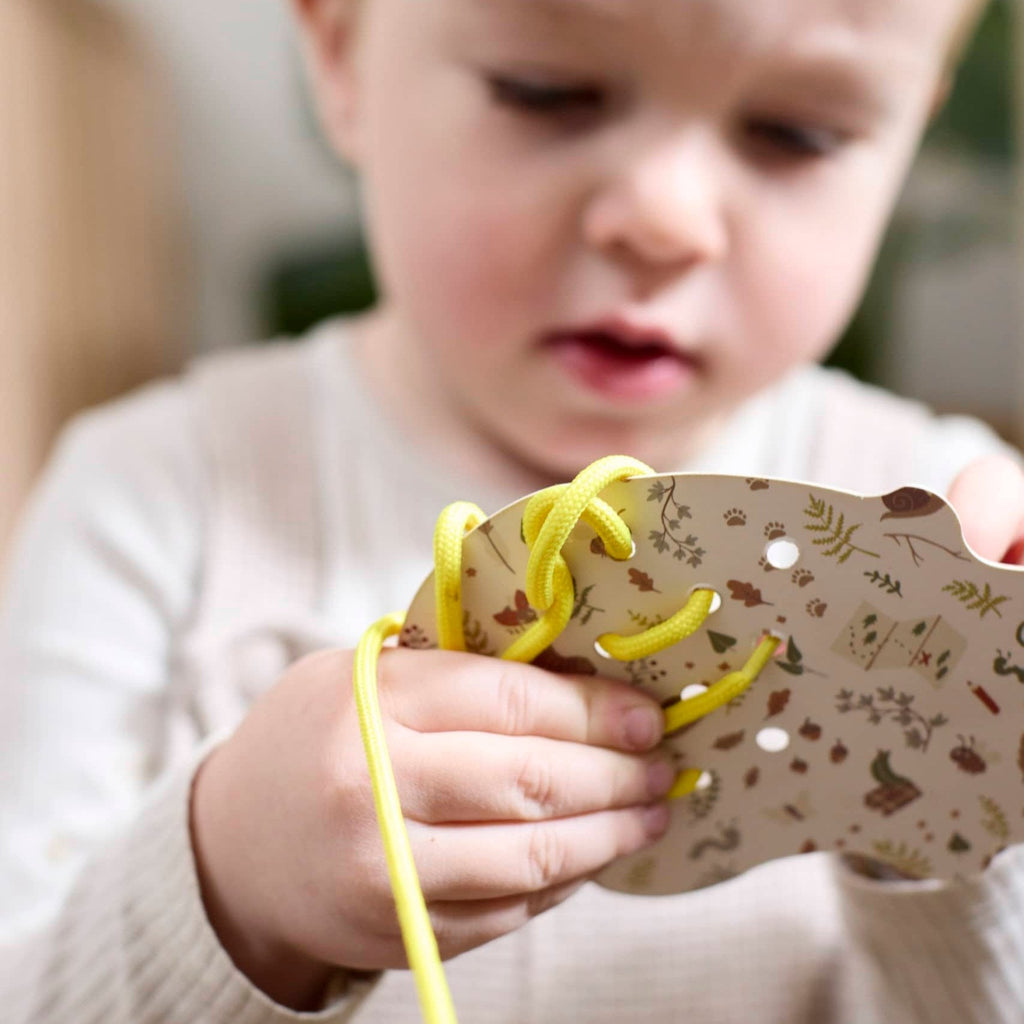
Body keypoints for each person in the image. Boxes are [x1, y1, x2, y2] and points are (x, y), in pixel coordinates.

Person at [2, 0, 1024, 1021]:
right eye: (547, 93)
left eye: (797, 134)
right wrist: (234, 893)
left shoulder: (948, 535)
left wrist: (951, 795)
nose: (664, 218)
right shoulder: (154, 496)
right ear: (340, 56)